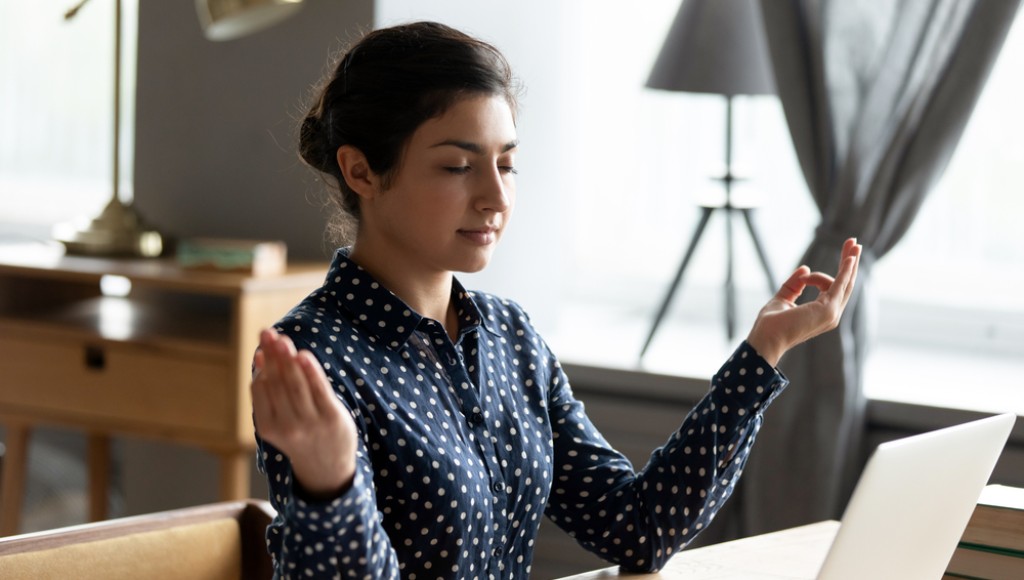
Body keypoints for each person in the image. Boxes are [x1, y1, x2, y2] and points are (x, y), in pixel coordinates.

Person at [250, 21, 861, 580]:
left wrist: (763, 352)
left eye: (507, 164)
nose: (496, 197)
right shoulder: (314, 358)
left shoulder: (509, 336)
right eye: (458, 166)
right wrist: (331, 486)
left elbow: (637, 527)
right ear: (361, 172)